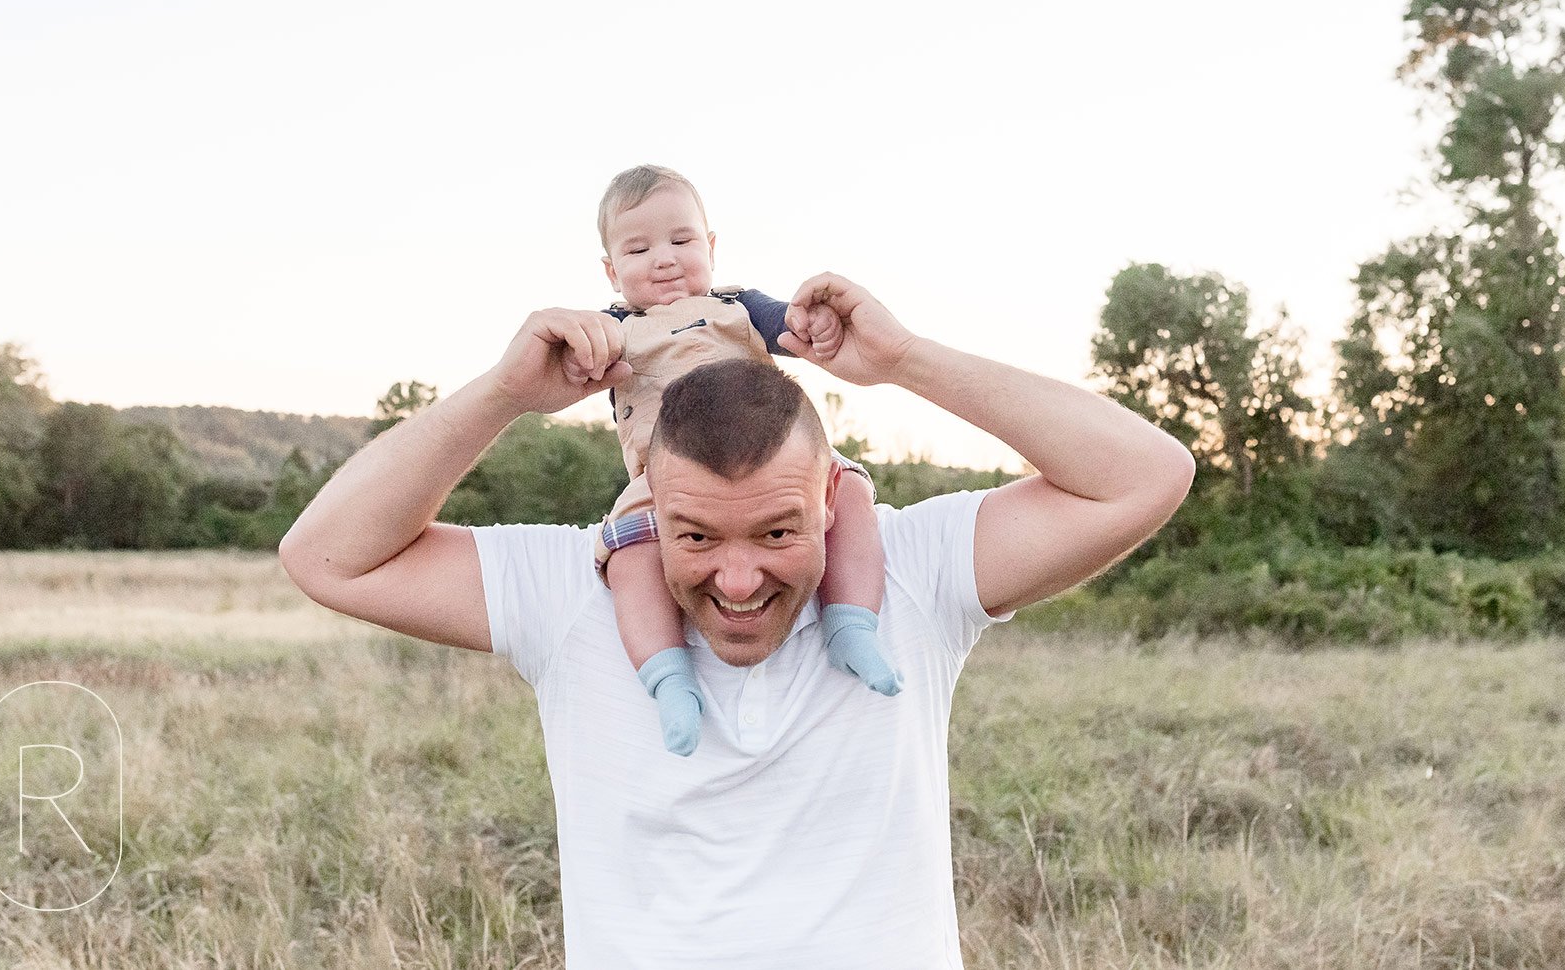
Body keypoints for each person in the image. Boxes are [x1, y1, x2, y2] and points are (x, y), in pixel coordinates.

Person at [280, 273, 1195, 969]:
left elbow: (1144, 474)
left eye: (778, 530)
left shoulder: (910, 573)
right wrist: (502, 396)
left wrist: (905, 360)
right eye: (696, 535)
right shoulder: (573, 586)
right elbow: (325, 555)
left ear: (834, 498)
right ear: (645, 504)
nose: (741, 577)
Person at [591, 165, 900, 758]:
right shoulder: (613, 329)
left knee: (851, 493)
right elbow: (569, 358)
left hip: (776, 462)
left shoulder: (738, 306)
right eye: (639, 248)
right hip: (668, 481)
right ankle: (668, 677)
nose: (664, 260)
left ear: (709, 246)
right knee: (630, 550)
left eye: (681, 241)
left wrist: (819, 320)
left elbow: (794, 329)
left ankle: (853, 623)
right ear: (611, 270)